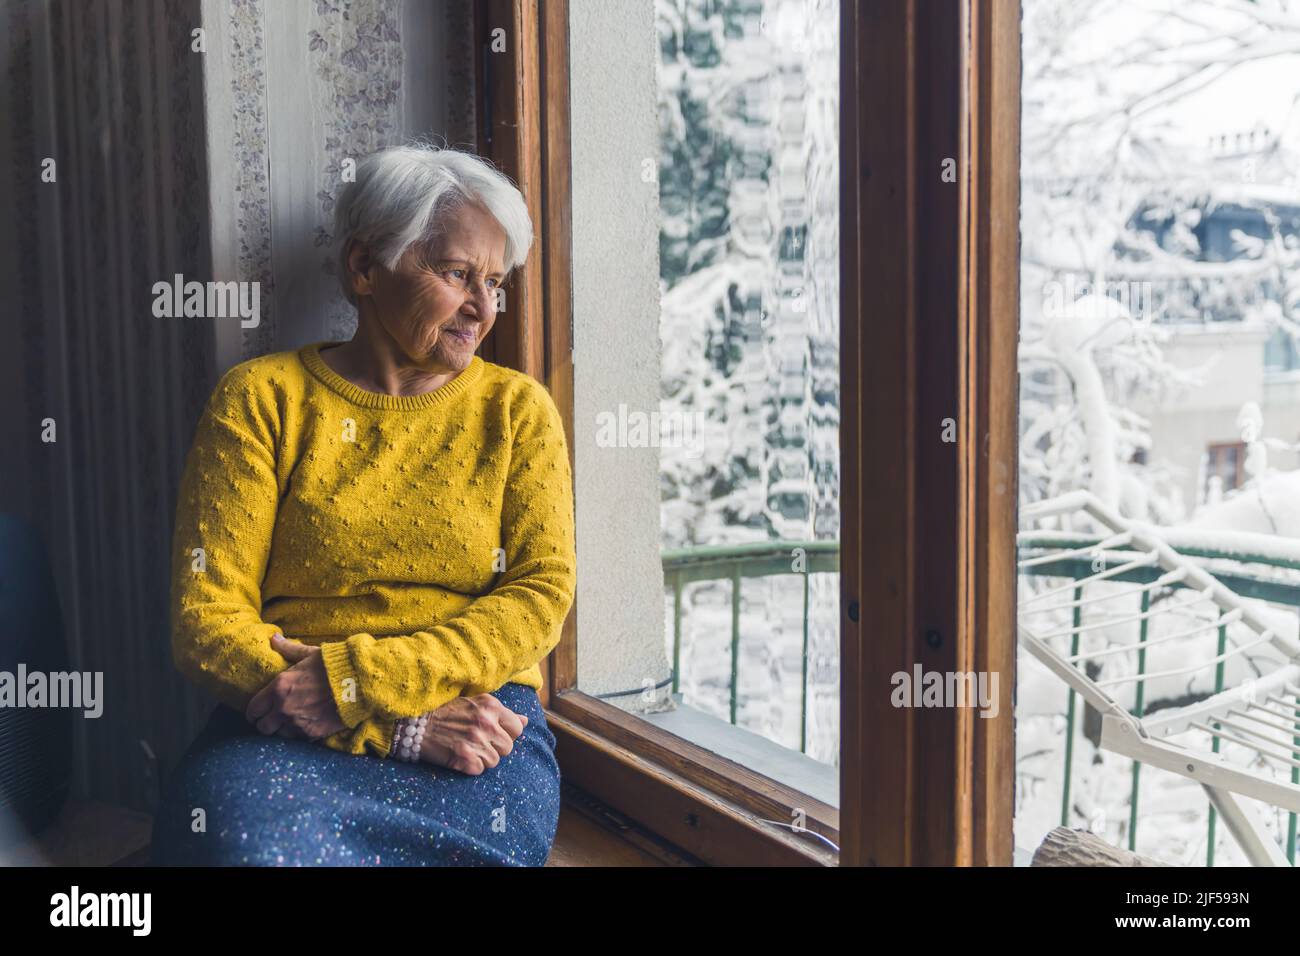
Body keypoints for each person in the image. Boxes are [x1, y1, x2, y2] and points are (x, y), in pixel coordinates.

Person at [150, 143, 576, 866]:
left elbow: (539, 597)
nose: (482, 308)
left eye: (495, 283)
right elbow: (205, 621)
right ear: (363, 267)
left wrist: (355, 682)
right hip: (282, 726)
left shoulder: (516, 413)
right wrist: (396, 727)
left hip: (478, 724)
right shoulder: (262, 400)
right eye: (457, 275)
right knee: (243, 850)